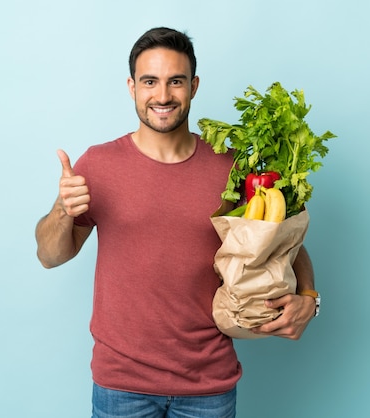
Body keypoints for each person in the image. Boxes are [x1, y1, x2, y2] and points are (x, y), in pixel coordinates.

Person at [35, 27, 318, 418]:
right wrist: (62, 210)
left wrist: (309, 297)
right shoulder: (99, 165)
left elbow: (287, 243)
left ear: (194, 86)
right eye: (150, 81)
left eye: (176, 81)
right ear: (132, 87)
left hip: (208, 385)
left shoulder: (232, 169)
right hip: (121, 386)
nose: (163, 95)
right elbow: (50, 256)